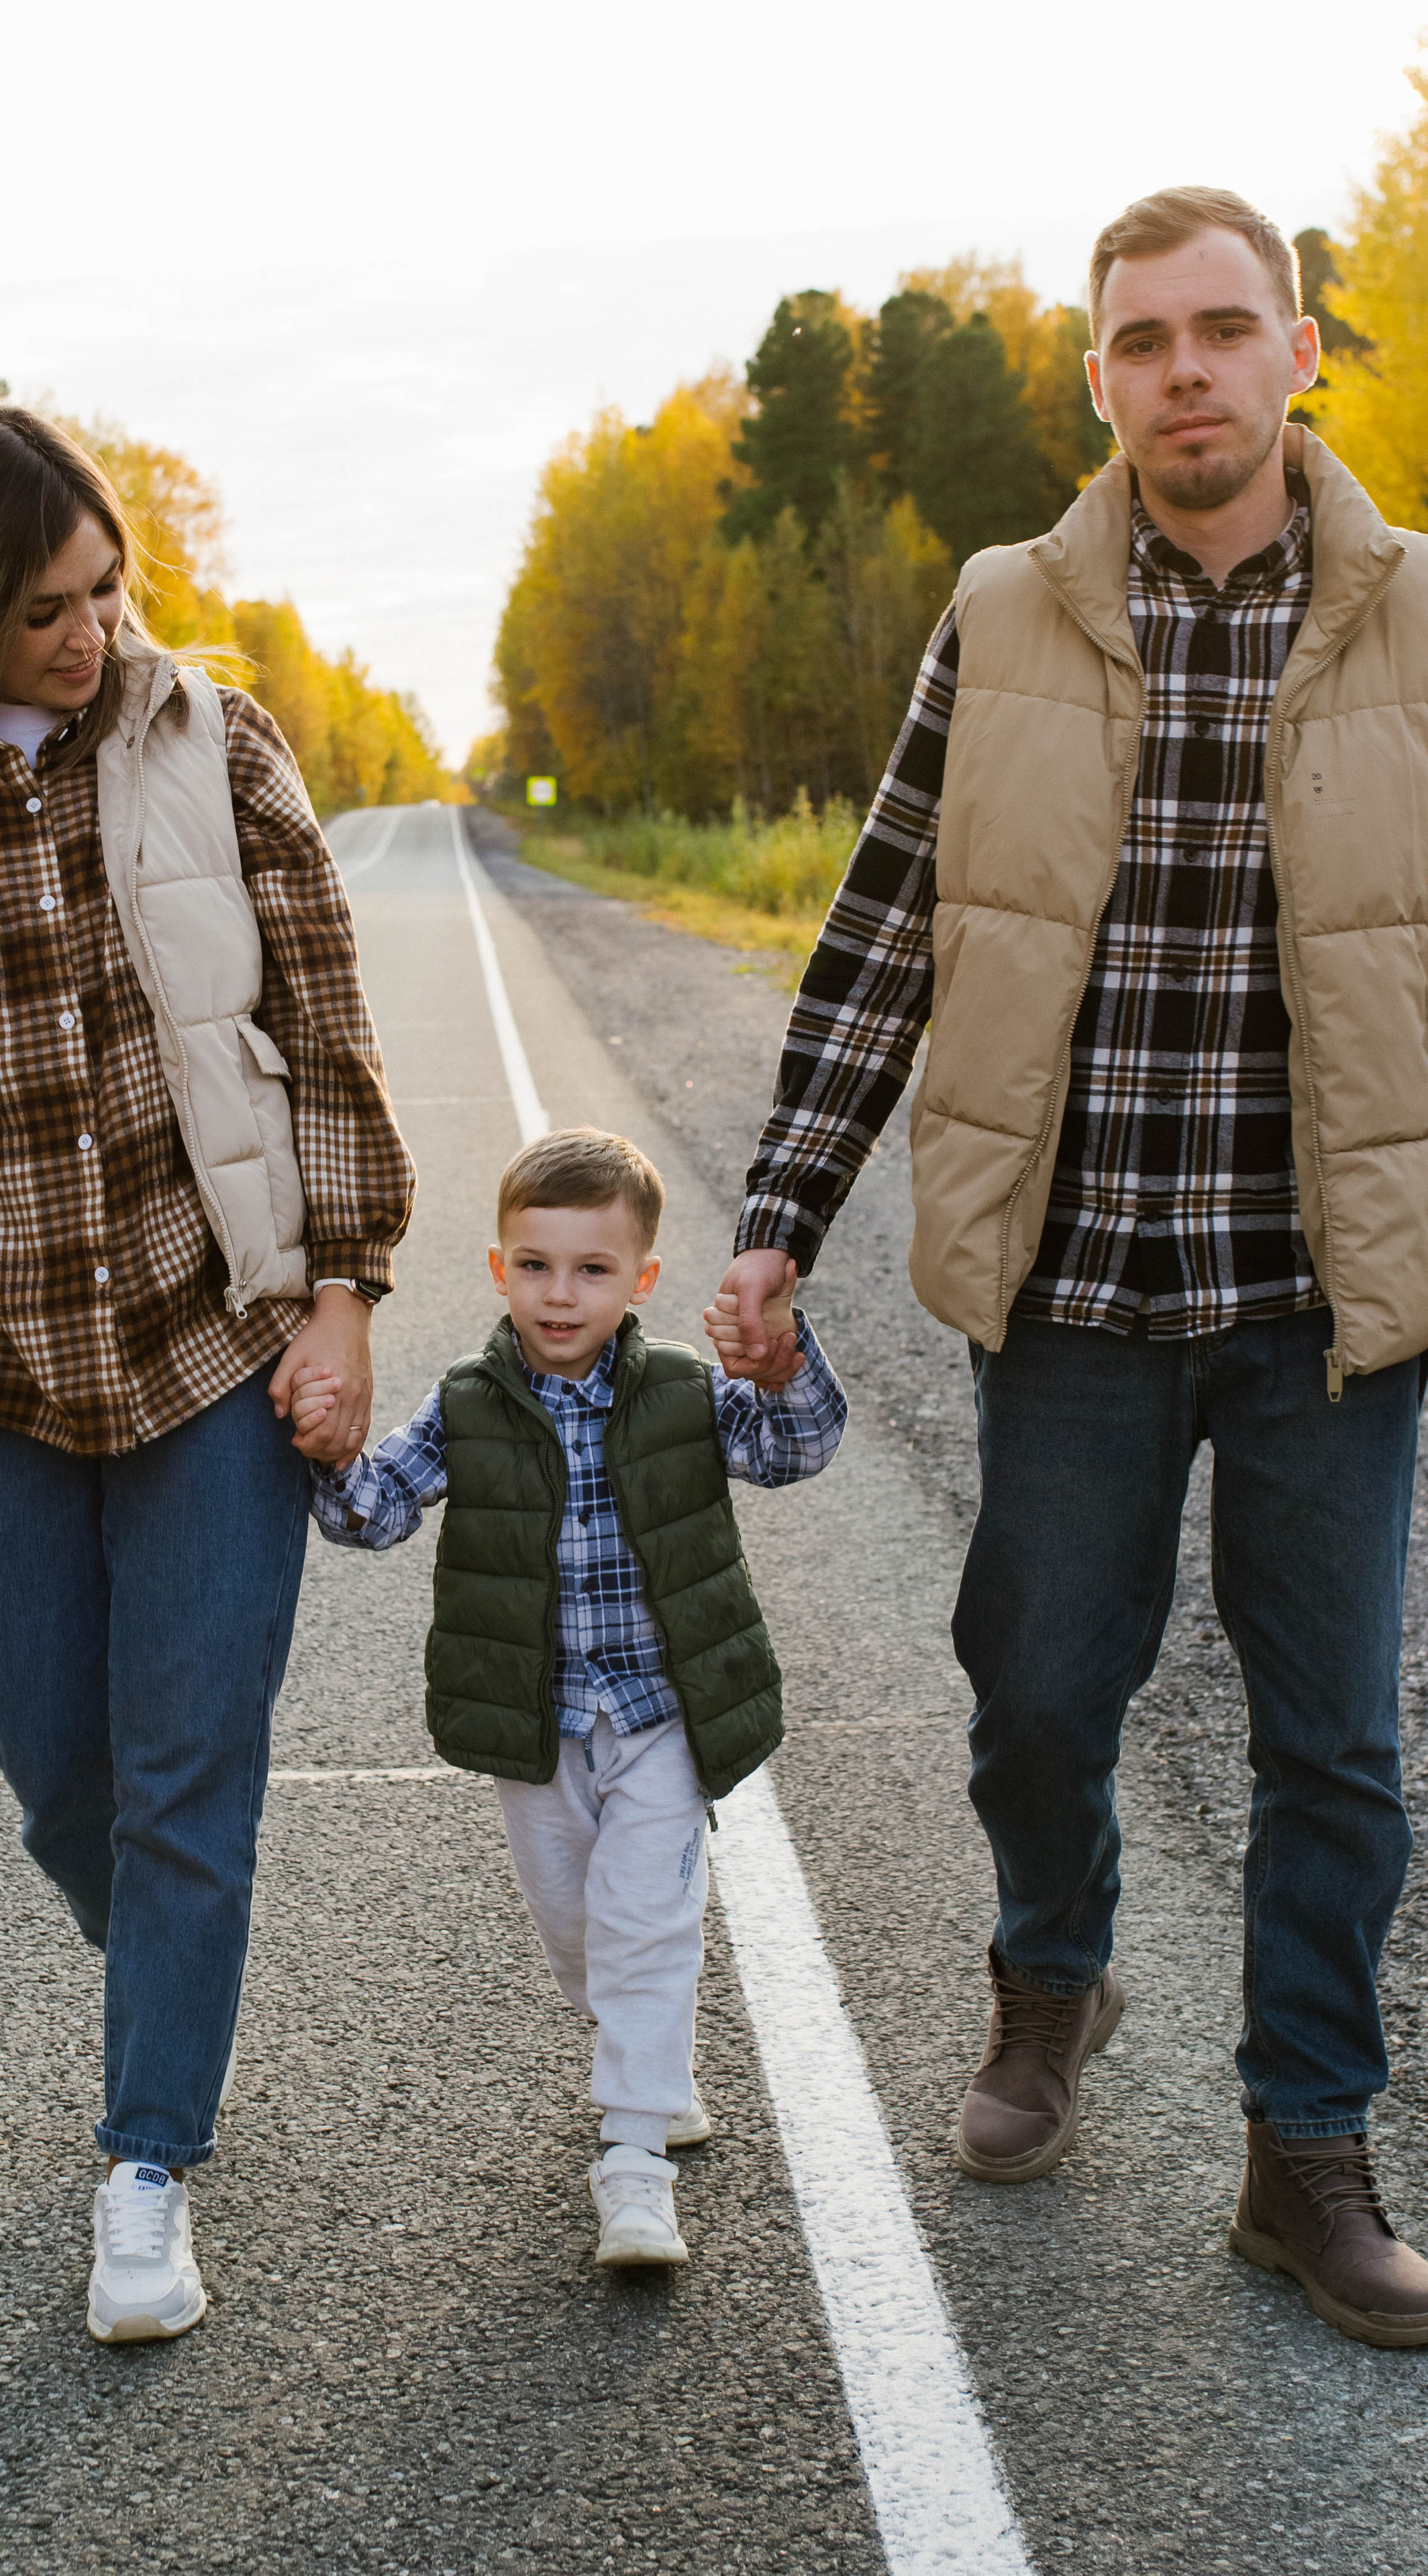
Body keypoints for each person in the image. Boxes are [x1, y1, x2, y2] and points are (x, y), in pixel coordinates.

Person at [708, 187, 1428, 2350]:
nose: (1186, 372)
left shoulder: (1415, 618)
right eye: (1144, 342)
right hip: (1078, 1285)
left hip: (1332, 1305)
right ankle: (1054, 1970)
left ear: (1303, 354)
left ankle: (1309, 2148)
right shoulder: (1007, 611)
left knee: (1337, 1747)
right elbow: (886, 931)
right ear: (1098, 376)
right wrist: (776, 1219)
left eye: (1227, 331)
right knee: (1038, 1694)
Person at [0, 402, 413, 2343]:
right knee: (47, 1753)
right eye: (48, 606)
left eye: (108, 590)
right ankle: (172, 1967)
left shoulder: (212, 740)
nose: (92, 633)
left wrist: (346, 1291)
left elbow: (327, 1014)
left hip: (211, 1337)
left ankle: (147, 2164)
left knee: (184, 1767)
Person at [299, 1128, 844, 2265]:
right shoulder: (467, 1404)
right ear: (499, 1269)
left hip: (660, 1714)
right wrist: (322, 1448)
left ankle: (634, 2163)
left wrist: (782, 1360)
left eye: (593, 1270)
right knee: (580, 1933)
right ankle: (649, 2063)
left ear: (641, 1281)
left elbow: (796, 1451)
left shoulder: (685, 1394)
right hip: (538, 1725)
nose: (562, 1294)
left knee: (647, 1918)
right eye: (537, 1265)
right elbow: (376, 1514)